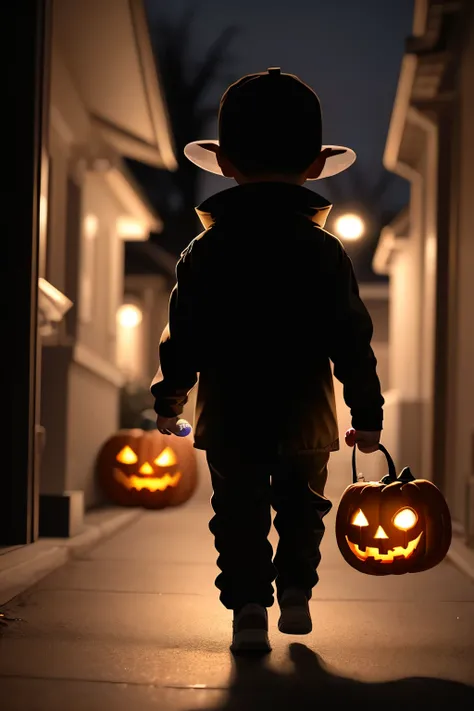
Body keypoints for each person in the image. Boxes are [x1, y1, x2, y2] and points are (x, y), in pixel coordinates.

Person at [150, 67, 384, 654]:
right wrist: (367, 411)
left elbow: (185, 335)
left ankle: (249, 607)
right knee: (303, 507)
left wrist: (170, 397)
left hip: (230, 414)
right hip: (307, 415)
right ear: (313, 168)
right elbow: (351, 338)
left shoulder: (204, 251)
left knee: (238, 511)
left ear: (226, 164)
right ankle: (298, 592)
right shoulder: (326, 252)